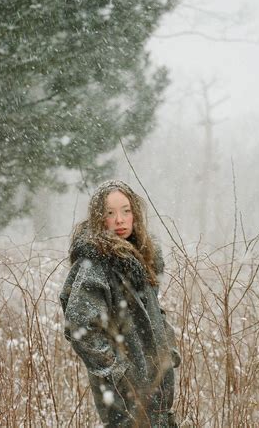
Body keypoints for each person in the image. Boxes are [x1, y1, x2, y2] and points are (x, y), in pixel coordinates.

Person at [60, 180, 180, 427]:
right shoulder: (95, 263)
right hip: (124, 401)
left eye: (126, 211)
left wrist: (167, 350)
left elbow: (152, 312)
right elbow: (80, 327)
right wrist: (119, 374)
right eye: (110, 213)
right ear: (99, 218)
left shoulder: (139, 258)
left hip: (156, 397)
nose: (120, 220)